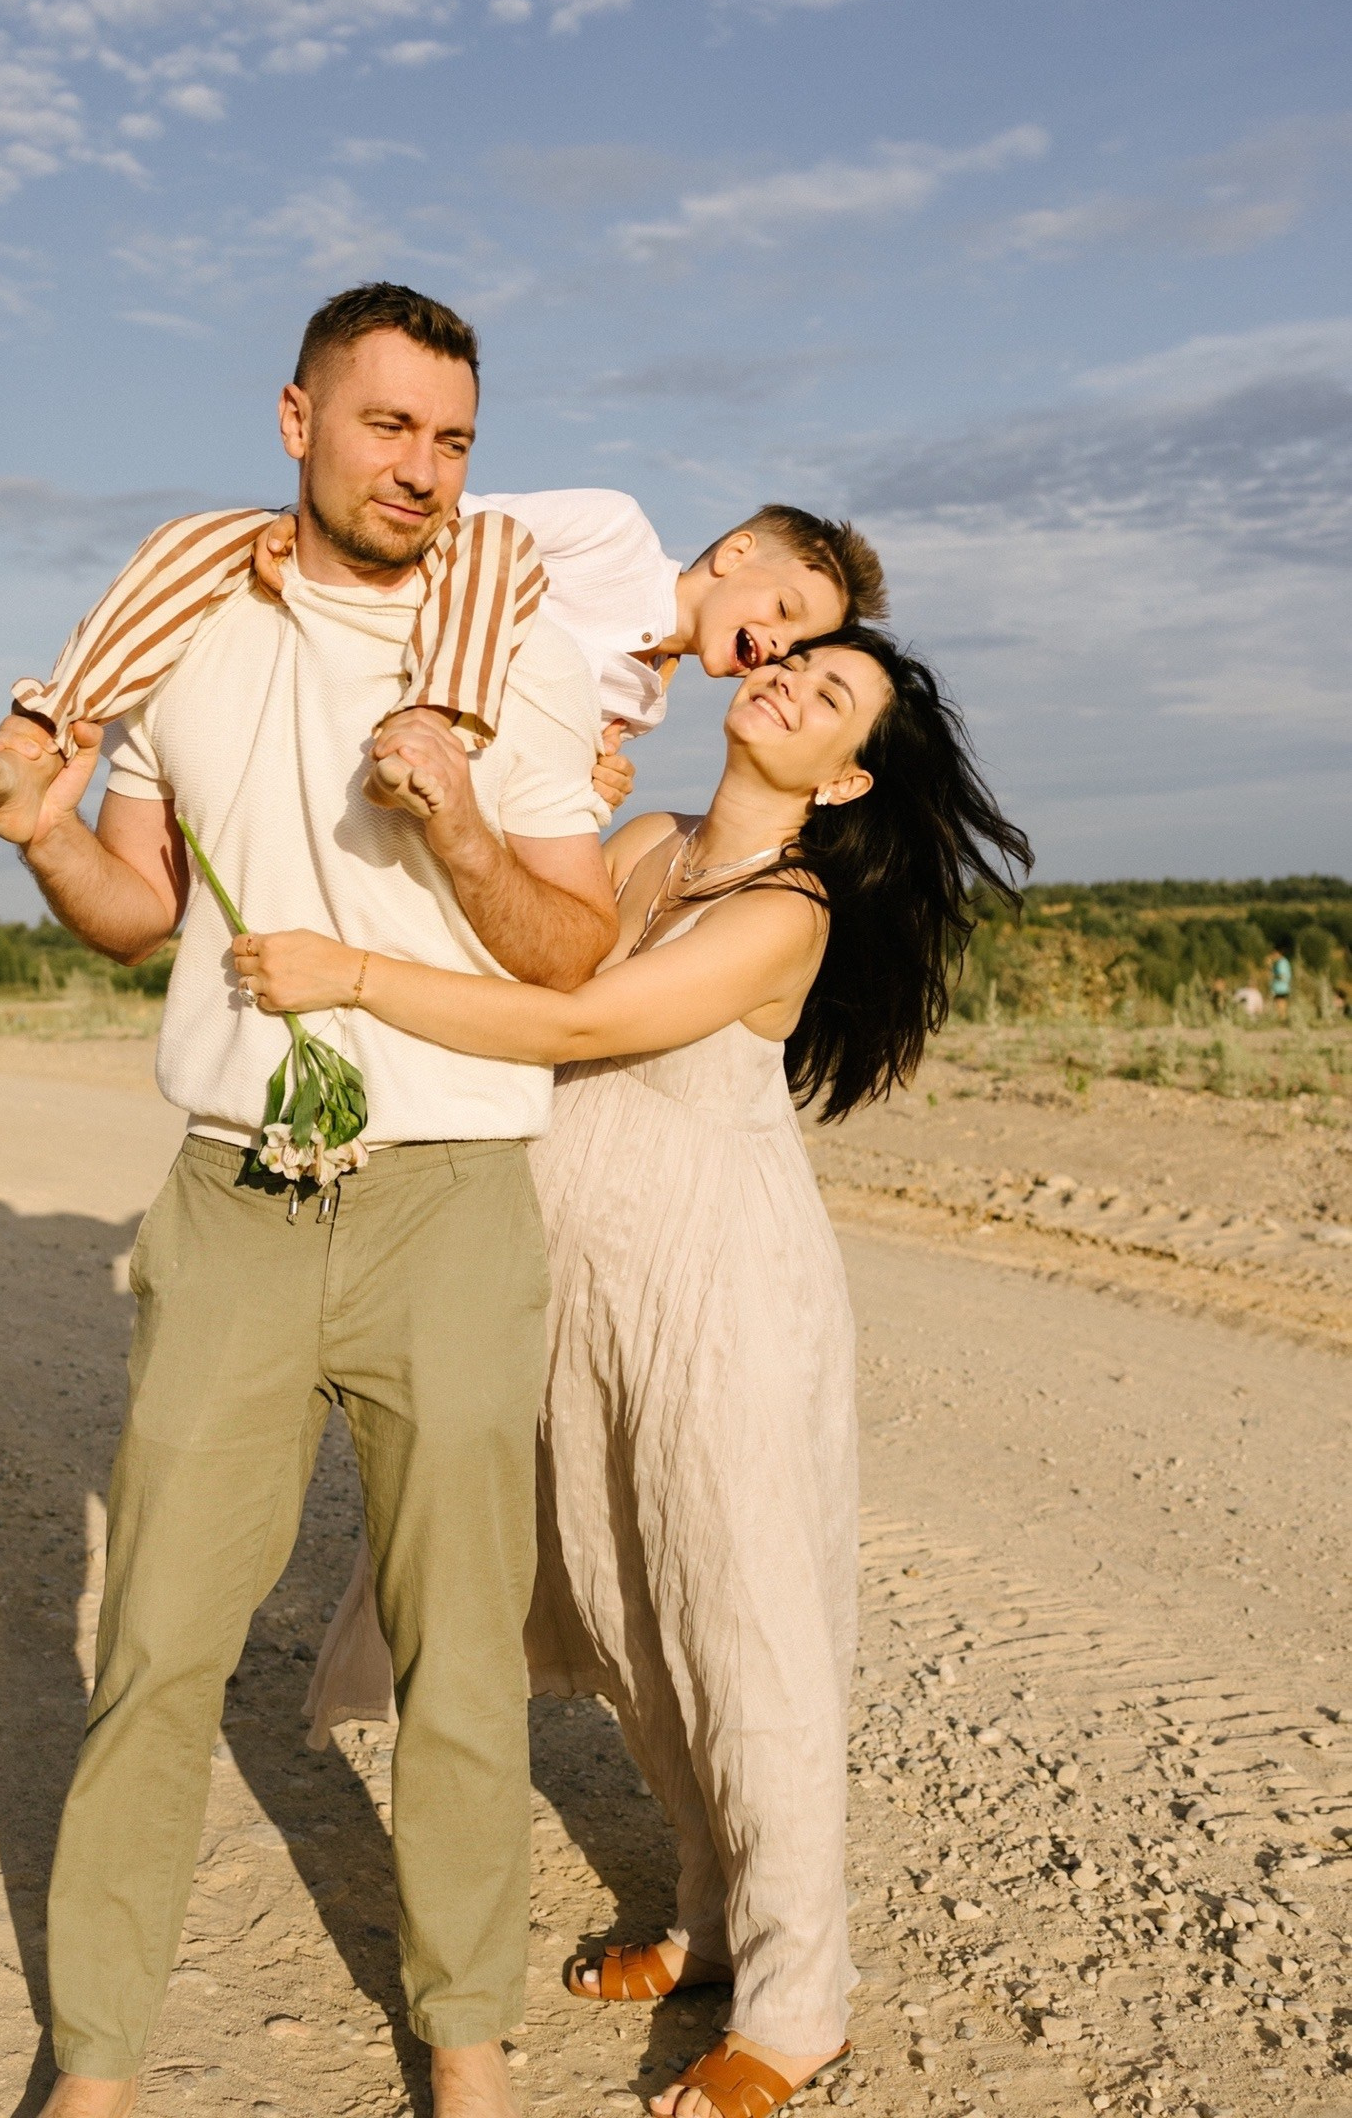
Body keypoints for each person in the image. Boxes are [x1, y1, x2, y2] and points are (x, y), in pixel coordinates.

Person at [0, 282, 623, 2118]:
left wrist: (465, 820)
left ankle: (467, 2039)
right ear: (297, 420)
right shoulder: (181, 632)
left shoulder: (518, 652)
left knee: (461, 1653)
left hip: (452, 1197)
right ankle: (95, 2059)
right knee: (157, 1641)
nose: (422, 468)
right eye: (389, 425)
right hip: (233, 1192)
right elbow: (137, 913)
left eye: (454, 440)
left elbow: (573, 951)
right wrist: (37, 828)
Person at [233, 631, 1032, 2118]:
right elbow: (536, 946)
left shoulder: (784, 907)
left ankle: (802, 2005)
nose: (788, 682)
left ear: (844, 773)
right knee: (624, 1606)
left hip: (714, 1293)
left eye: (830, 696)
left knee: (746, 1629)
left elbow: (581, 1021)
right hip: (581, 1290)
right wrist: (495, 822)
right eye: (791, 663)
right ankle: (715, 1919)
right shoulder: (651, 838)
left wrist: (350, 976)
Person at [0, 480, 885, 835]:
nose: (778, 645)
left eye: (798, 647)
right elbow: (461, 526)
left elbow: (540, 790)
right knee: (203, 534)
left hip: (431, 726)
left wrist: (595, 792)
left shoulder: (644, 701)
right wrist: (300, 534)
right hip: (402, 596)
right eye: (786, 610)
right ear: (735, 556)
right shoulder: (616, 530)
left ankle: (422, 757)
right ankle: (43, 726)